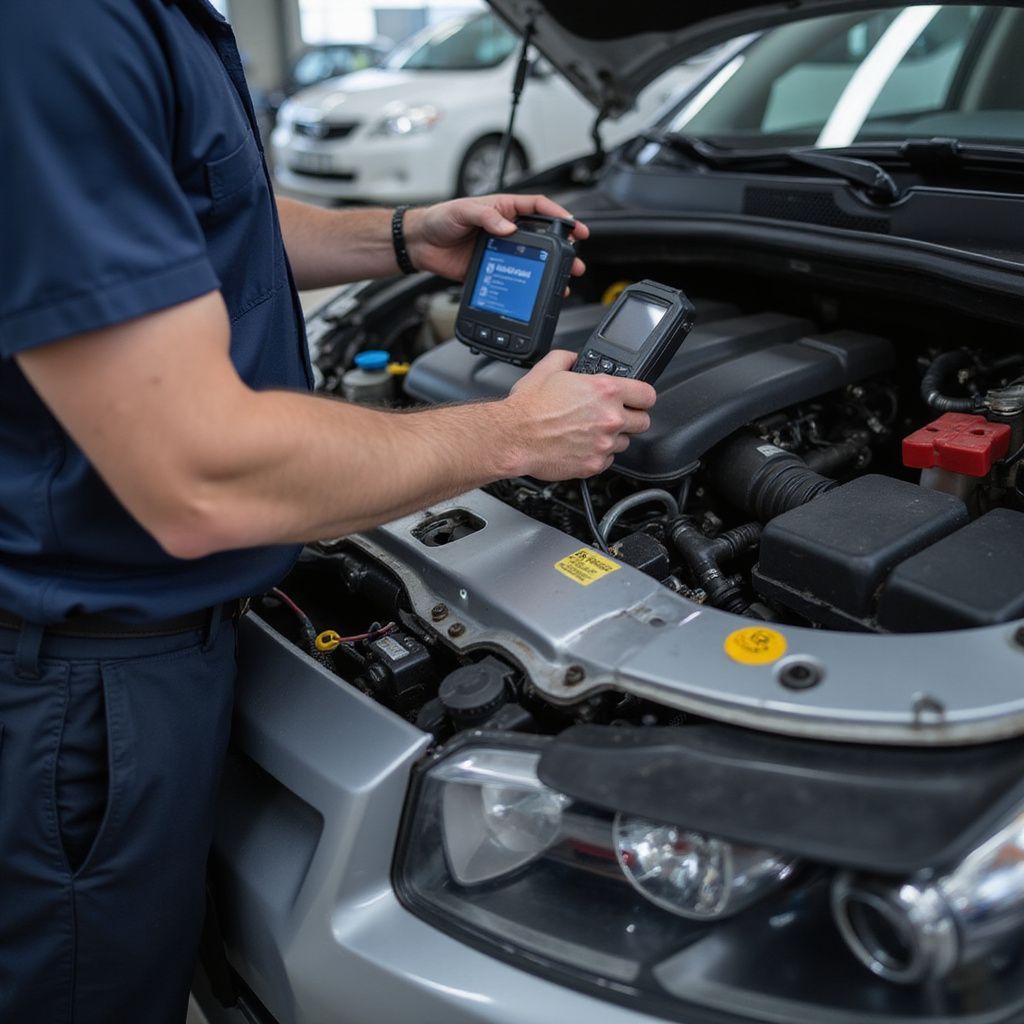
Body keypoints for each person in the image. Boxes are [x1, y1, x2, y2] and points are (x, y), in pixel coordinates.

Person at [0, 1, 656, 1021]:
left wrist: (399, 237)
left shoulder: (156, 19)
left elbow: (202, 220)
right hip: (83, 681)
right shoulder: (60, 29)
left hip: (153, 641)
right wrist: (513, 437)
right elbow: (200, 480)